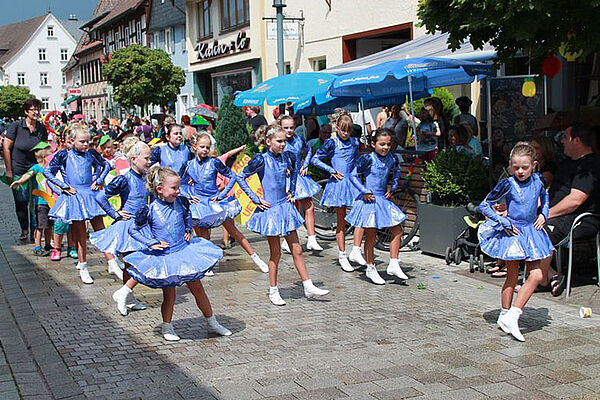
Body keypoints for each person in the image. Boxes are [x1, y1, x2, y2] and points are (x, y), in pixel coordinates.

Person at [112, 165, 231, 341]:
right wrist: (151, 242)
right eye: (174, 188)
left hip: (184, 251)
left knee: (198, 289)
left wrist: (189, 229)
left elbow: (187, 216)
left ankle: (212, 322)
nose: (178, 191)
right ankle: (167, 326)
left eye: (178, 187)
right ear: (160, 189)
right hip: (166, 257)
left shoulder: (181, 202)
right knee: (170, 294)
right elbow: (134, 230)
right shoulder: (149, 210)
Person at [236, 124, 330, 306]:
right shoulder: (261, 160)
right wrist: (255, 198)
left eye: (284, 141)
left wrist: (292, 190)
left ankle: (308, 285)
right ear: (268, 141)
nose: (283, 144)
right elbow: (240, 177)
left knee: (298, 249)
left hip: (285, 208)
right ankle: (273, 290)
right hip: (270, 211)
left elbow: (294, 171)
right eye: (279, 141)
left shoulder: (287, 156)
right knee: (276, 253)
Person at [478, 142, 554, 341]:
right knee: (511, 276)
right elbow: (484, 205)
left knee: (536, 275)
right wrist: (502, 220)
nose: (520, 171)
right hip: (513, 233)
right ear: (510, 166)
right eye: (516, 167)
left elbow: (545, 199)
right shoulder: (507, 183)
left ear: (534, 165)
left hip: (532, 231)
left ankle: (513, 314)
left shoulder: (538, 180)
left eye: (525, 167)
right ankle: (505, 315)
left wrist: (544, 215)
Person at [182, 132, 269, 274]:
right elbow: (181, 184)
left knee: (233, 231)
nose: (205, 150)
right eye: (202, 147)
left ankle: (256, 258)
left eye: (207, 147)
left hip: (216, 201)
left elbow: (233, 176)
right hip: (199, 203)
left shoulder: (214, 162)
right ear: (194, 147)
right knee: (202, 235)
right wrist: (188, 195)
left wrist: (222, 195)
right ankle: (206, 264)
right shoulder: (189, 165)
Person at [43, 124, 117, 284]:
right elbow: (47, 172)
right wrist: (62, 186)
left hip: (90, 195)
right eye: (82, 141)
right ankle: (83, 265)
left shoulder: (90, 153)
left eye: (87, 142)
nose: (85, 145)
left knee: (100, 229)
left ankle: (111, 261)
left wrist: (97, 180)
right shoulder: (64, 155)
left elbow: (104, 165)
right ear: (72, 140)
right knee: (80, 232)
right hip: (74, 195)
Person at [90, 137, 153, 312]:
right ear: (134, 159)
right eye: (146, 159)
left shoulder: (146, 178)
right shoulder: (124, 179)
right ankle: (124, 292)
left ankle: (128, 296)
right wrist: (115, 214)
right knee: (141, 261)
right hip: (129, 227)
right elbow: (100, 196)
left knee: (130, 264)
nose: (150, 161)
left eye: (150, 158)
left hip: (143, 225)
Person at [540, 125, 600, 296]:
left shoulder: (590, 165)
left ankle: (540, 278)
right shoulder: (566, 163)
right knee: (516, 226)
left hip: (576, 217)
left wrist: (545, 215)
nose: (562, 141)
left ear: (577, 140)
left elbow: (575, 200)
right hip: (556, 215)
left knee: (535, 232)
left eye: (565, 137)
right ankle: (550, 276)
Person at [345, 128, 409, 284]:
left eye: (388, 144)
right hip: (369, 199)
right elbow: (353, 175)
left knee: (397, 230)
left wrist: (392, 187)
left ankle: (393, 263)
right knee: (371, 235)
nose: (385, 147)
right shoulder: (368, 158)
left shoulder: (392, 158)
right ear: (373, 144)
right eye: (382, 144)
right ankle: (370, 268)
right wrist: (364, 190)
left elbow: (397, 171)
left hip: (382, 198)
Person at [311, 111, 367, 272]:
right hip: (338, 184)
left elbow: (357, 160)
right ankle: (342, 255)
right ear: (337, 127)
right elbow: (315, 159)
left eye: (348, 130)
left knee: (361, 213)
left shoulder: (355, 143)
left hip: (352, 183)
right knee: (341, 221)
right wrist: (330, 170)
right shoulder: (331, 143)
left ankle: (356, 249)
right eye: (342, 130)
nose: (345, 133)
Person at [3, 98, 48, 241]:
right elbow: (6, 147)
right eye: (33, 109)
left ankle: (36, 232)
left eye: (38, 109)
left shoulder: (41, 128)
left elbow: (45, 149)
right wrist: (9, 169)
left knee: (37, 201)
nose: (36, 112)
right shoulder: (16, 126)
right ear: (26, 111)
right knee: (21, 201)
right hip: (18, 169)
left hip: (35, 170)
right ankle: (24, 229)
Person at [277, 115, 323, 252]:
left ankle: (312, 238)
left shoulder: (298, 139)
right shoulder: (279, 142)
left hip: (299, 177)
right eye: (286, 128)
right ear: (280, 128)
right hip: (285, 180)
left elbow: (308, 150)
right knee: (289, 210)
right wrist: (282, 168)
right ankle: (287, 240)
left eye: (291, 127)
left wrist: (306, 164)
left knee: (309, 205)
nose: (289, 130)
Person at [9, 142, 54, 256]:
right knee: (40, 226)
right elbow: (28, 175)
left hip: (51, 201)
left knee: (49, 225)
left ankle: (48, 244)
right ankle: (37, 246)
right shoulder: (36, 168)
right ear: (43, 155)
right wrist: (19, 181)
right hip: (40, 202)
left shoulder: (51, 168)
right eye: (50, 153)